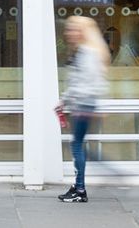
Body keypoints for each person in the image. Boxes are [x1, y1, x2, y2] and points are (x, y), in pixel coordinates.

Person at [56, 16, 108, 204]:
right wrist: (64, 100)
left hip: (83, 105)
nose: (68, 33)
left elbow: (89, 82)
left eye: (73, 29)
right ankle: (78, 185)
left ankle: (80, 189)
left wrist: (69, 100)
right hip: (82, 104)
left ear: (82, 32)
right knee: (78, 145)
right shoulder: (85, 52)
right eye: (68, 29)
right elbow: (80, 81)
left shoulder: (87, 53)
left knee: (77, 146)